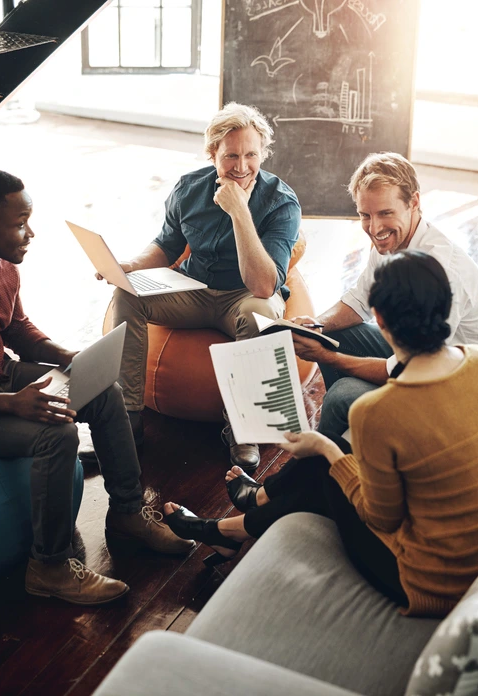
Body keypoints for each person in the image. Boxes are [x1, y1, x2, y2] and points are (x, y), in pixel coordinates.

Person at [164, 250, 478, 617]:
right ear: (447, 306)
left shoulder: (376, 413)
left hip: (427, 585)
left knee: (332, 468)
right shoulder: (471, 356)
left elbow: (382, 519)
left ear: (379, 319)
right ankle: (242, 519)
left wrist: (329, 452)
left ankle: (234, 526)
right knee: (339, 452)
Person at [0, 168, 193, 606]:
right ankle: (50, 566)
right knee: (56, 435)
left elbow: (16, 329)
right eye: (20, 223)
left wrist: (67, 356)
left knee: (104, 392)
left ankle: (128, 513)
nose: (31, 233)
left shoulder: (3, 270)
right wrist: (12, 405)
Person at [105, 102, 301, 472]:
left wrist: (239, 210)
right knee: (125, 293)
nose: (241, 167)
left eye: (251, 155)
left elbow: (262, 285)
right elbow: (166, 245)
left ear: (263, 154)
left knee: (262, 315)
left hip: (245, 297)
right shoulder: (189, 188)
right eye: (230, 156)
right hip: (193, 288)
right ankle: (128, 419)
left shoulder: (280, 202)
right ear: (212, 154)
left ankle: (243, 429)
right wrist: (128, 267)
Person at [291, 152, 478, 436]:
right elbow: (358, 299)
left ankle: (329, 462)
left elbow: (417, 367)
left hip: (452, 388)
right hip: (422, 359)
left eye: (385, 213)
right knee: (332, 336)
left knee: (342, 395)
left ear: (414, 202)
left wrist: (331, 358)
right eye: (365, 215)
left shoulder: (440, 270)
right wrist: (315, 327)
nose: (375, 228)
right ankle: (358, 433)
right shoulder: (394, 240)